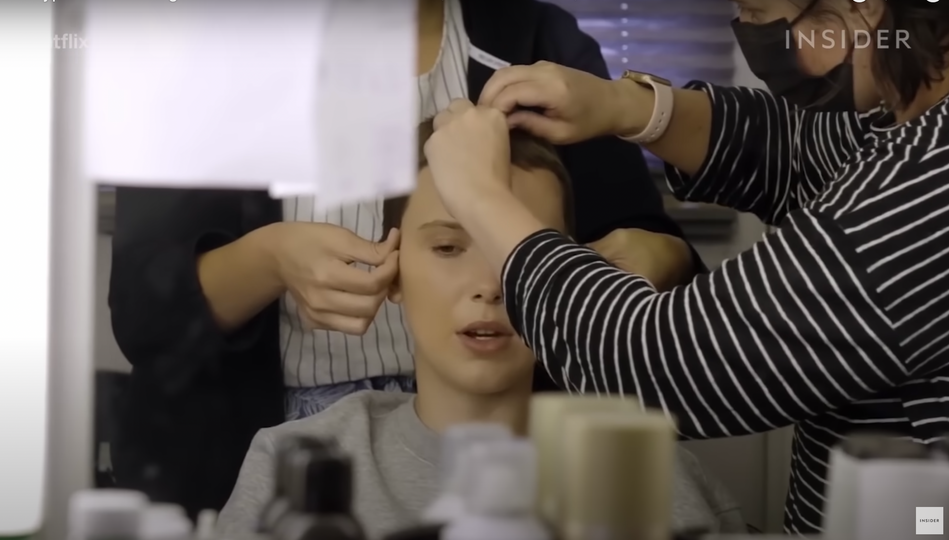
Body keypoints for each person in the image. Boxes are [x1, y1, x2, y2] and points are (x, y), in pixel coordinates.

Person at [108, 0, 701, 518]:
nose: (485, 285)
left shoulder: (538, 46)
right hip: (232, 444)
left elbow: (650, 250)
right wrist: (269, 260)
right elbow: (143, 312)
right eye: (446, 246)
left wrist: (656, 257)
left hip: (499, 442)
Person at [420, 0, 949, 534]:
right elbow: (803, 153)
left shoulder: (934, 188)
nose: (746, 30)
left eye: (758, 11)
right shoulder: (910, 119)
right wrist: (629, 107)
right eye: (446, 248)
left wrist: (483, 199)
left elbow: (653, 364)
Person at [215, 121, 747, 539]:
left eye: (518, 252)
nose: (489, 286)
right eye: (448, 248)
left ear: (570, 275)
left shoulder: (662, 481)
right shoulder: (294, 468)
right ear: (393, 270)